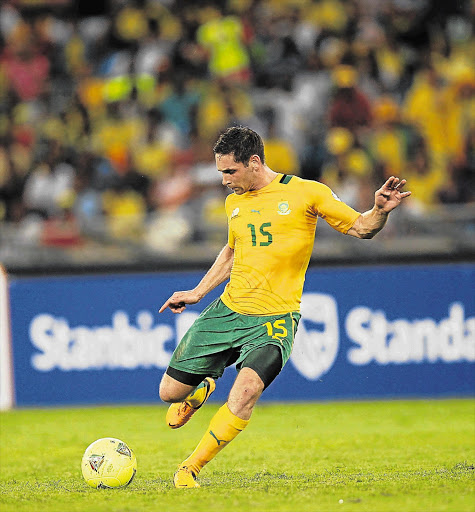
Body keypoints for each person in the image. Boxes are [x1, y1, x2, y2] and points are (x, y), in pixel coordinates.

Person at [158, 126, 411, 488]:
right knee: (170, 393)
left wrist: (379, 211)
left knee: (244, 394)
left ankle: (190, 468)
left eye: (230, 171)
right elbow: (232, 251)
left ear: (254, 162)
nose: (225, 180)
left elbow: (360, 228)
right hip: (228, 310)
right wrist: (198, 291)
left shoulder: (307, 193)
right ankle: (202, 388)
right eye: (220, 173)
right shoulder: (234, 203)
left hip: (274, 320)